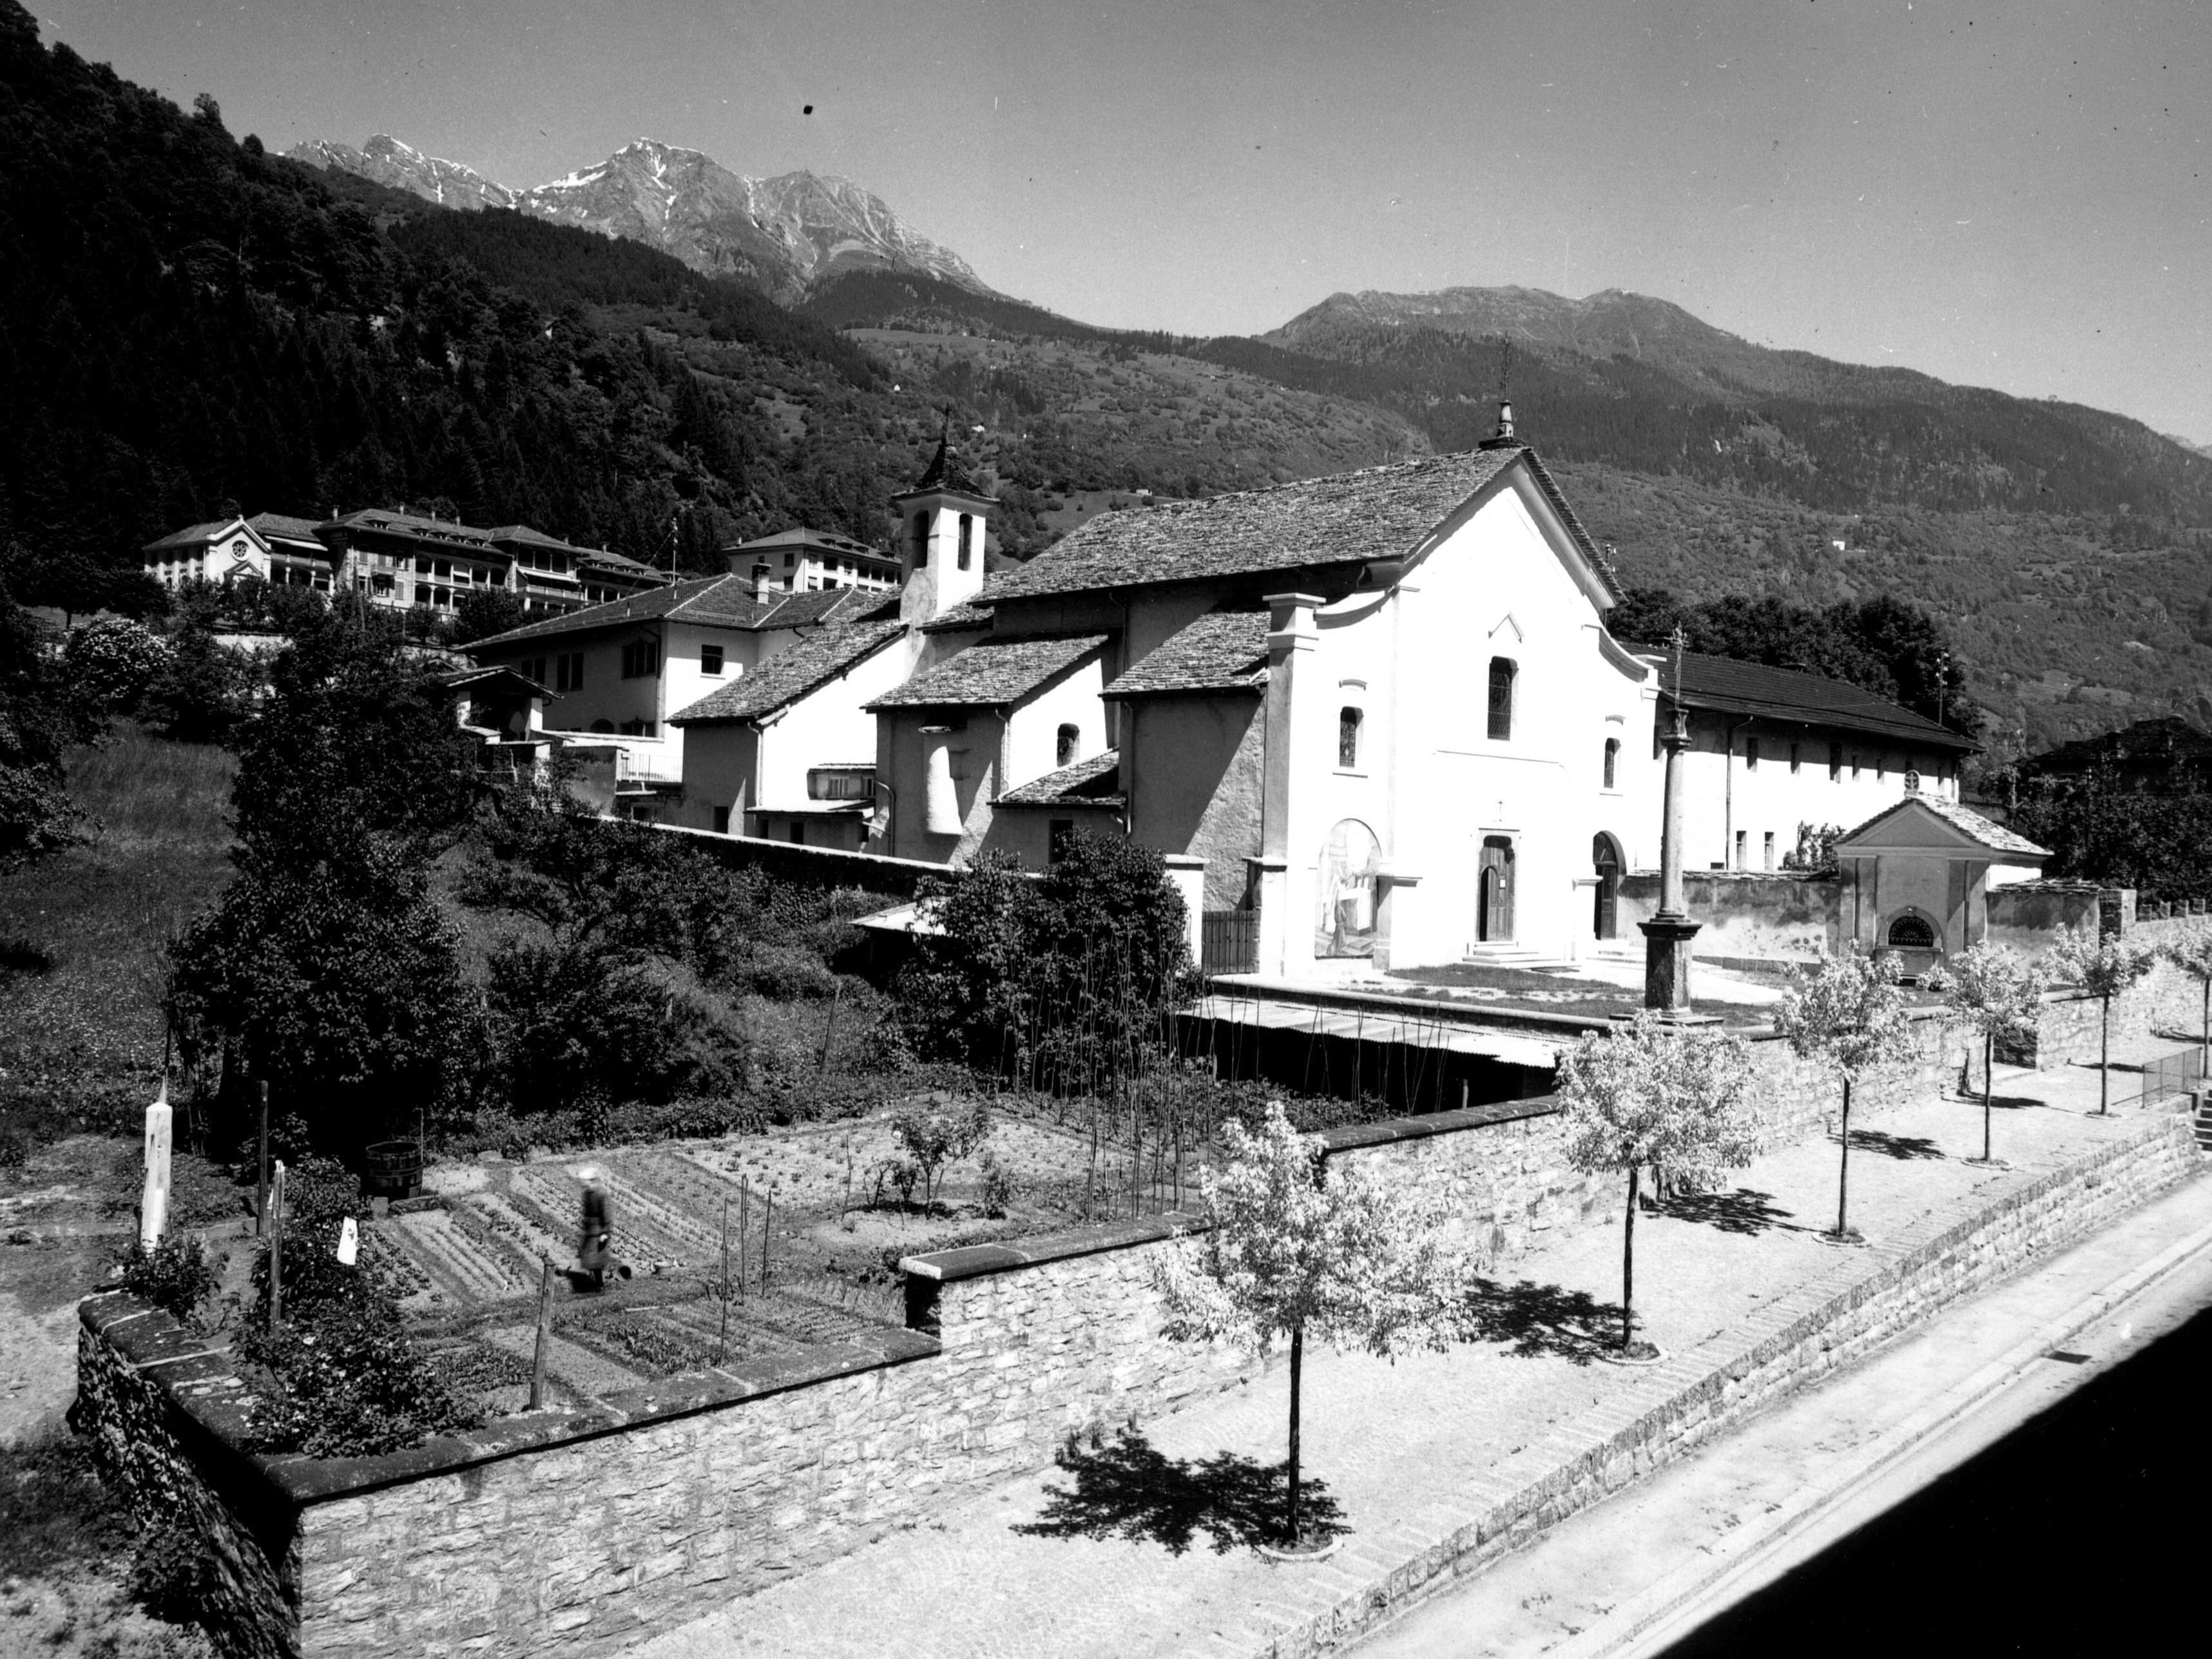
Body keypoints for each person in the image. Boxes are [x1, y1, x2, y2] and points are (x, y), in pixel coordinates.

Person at [577, 1166, 611, 1290]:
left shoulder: (600, 1193)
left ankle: (599, 1285)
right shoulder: (587, 1194)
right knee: (588, 1257)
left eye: (584, 1181)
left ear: (590, 1180)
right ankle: (594, 1282)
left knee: (595, 1259)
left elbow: (606, 1214)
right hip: (590, 1229)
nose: (583, 1183)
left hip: (599, 1230)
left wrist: (605, 1232)